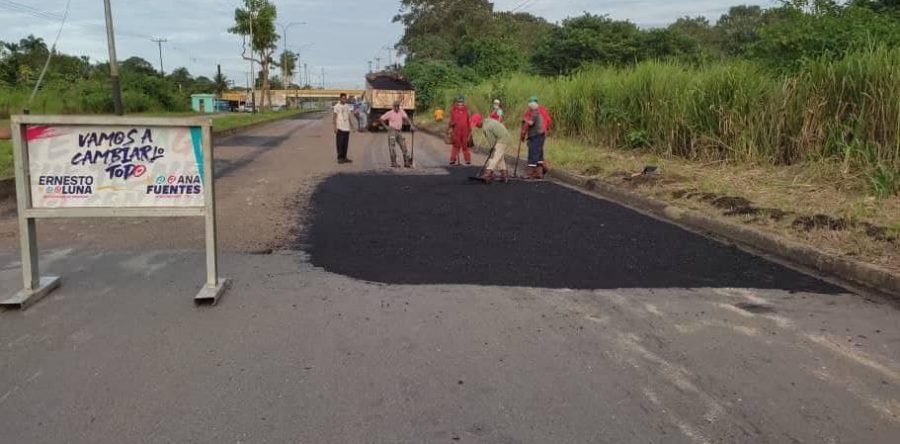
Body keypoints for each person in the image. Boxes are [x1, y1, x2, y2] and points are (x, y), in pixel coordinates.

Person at [471, 113, 511, 183]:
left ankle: (487, 173)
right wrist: (492, 148)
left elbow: (492, 141)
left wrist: (493, 149)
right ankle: (504, 176)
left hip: (503, 139)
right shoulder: (486, 121)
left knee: (495, 157)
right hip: (503, 137)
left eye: (477, 123)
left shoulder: (486, 128)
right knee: (500, 157)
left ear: (480, 121)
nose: (476, 126)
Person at [379, 100, 417, 168]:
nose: (397, 107)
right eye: (395, 106)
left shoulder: (401, 111)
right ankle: (394, 162)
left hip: (399, 131)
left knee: (404, 146)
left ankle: (407, 162)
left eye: (398, 106)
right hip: (392, 131)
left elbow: (407, 118)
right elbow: (381, 119)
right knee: (392, 147)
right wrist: (386, 127)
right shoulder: (389, 113)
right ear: (393, 107)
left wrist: (411, 125)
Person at [521, 96, 547, 179]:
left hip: (536, 136)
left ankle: (529, 173)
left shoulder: (534, 113)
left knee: (533, 153)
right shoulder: (538, 112)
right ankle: (539, 173)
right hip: (541, 135)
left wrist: (525, 120)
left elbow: (530, 123)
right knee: (539, 155)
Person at [448, 95, 472, 165]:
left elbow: (468, 121)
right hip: (456, 130)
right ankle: (453, 159)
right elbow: (451, 121)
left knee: (465, 145)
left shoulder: (466, 110)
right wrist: (451, 125)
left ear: (463, 102)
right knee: (455, 145)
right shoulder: (454, 110)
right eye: (459, 102)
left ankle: (467, 160)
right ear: (457, 102)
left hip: (465, 130)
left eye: (461, 102)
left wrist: (470, 131)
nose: (460, 104)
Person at [333, 93, 353, 164]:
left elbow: (349, 116)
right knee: (340, 143)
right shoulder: (336, 106)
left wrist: (351, 126)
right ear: (340, 98)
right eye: (343, 98)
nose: (344, 100)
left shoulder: (347, 106)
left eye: (345, 98)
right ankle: (340, 158)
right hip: (340, 128)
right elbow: (334, 117)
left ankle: (344, 157)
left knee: (345, 144)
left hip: (346, 128)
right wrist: (335, 127)